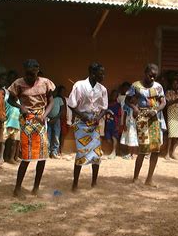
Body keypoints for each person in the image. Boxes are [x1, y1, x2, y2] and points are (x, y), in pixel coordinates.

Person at [8, 59, 55, 198]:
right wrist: (20, 107)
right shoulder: (18, 84)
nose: (30, 77)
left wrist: (45, 115)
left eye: (33, 74)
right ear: (24, 72)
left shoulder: (46, 83)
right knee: (26, 156)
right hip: (26, 121)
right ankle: (17, 188)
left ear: (37, 71)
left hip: (41, 121)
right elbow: (10, 100)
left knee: (42, 156)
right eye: (28, 74)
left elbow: (51, 101)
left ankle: (36, 187)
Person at [67, 62, 108, 191]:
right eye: (101, 74)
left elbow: (104, 108)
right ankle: (75, 184)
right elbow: (71, 104)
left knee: (96, 154)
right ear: (93, 74)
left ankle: (94, 183)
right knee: (81, 153)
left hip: (94, 123)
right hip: (81, 123)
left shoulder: (102, 89)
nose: (103, 76)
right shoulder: (79, 86)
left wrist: (98, 118)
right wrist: (83, 116)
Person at [126, 63, 166, 186]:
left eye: (155, 76)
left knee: (155, 149)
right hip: (142, 118)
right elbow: (127, 100)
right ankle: (136, 178)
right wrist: (134, 108)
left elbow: (163, 102)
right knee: (143, 149)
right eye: (150, 75)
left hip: (154, 118)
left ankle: (149, 179)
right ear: (145, 73)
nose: (152, 78)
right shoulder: (135, 86)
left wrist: (156, 110)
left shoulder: (158, 87)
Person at [165, 78, 178, 160]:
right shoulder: (168, 93)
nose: (176, 85)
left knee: (177, 135)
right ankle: (167, 153)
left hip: (177, 114)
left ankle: (172, 152)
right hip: (171, 113)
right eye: (175, 83)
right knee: (171, 134)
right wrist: (177, 99)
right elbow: (167, 104)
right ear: (171, 85)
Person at [47, 86, 65, 159]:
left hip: (57, 120)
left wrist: (56, 118)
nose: (53, 93)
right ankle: (47, 152)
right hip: (48, 119)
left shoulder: (59, 99)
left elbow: (62, 110)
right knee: (48, 136)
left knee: (56, 136)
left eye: (54, 91)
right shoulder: (47, 99)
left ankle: (54, 152)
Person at [105, 89, 122, 159]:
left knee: (114, 138)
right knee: (108, 139)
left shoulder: (118, 105)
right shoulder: (107, 105)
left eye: (115, 95)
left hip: (115, 124)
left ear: (117, 97)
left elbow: (120, 116)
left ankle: (114, 151)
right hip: (108, 125)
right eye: (112, 95)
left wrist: (118, 125)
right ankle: (116, 149)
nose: (113, 96)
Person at [120, 95, 138, 159]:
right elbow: (124, 115)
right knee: (129, 139)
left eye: (135, 98)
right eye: (132, 98)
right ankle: (129, 152)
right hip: (129, 125)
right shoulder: (127, 106)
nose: (133, 99)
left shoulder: (138, 106)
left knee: (135, 139)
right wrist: (124, 124)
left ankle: (134, 153)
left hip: (135, 126)